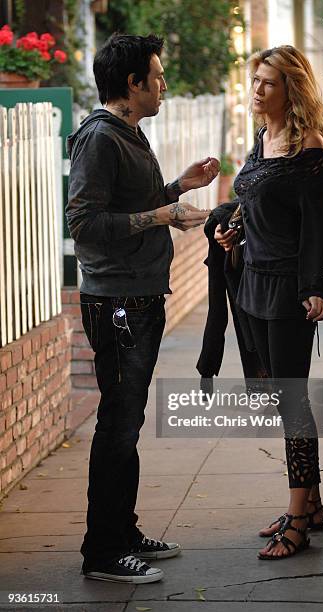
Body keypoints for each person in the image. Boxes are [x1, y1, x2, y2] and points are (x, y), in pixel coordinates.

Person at [66, 33, 219, 583]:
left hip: (139, 295)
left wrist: (179, 188)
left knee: (127, 422)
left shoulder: (130, 134)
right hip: (117, 302)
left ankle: (122, 531)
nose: (163, 84)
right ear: (131, 84)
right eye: (156, 76)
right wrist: (161, 217)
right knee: (118, 425)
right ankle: (103, 552)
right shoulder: (100, 140)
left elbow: (135, 205)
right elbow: (83, 224)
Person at [215, 46, 323, 560]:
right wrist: (231, 228)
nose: (258, 90)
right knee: (277, 398)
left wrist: (319, 288)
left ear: (292, 89)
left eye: (269, 82)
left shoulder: (307, 147)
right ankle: (309, 505)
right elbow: (253, 200)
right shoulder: (262, 141)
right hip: (253, 285)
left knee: (293, 404)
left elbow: (319, 228)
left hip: (289, 289)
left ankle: (298, 521)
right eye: (257, 80)